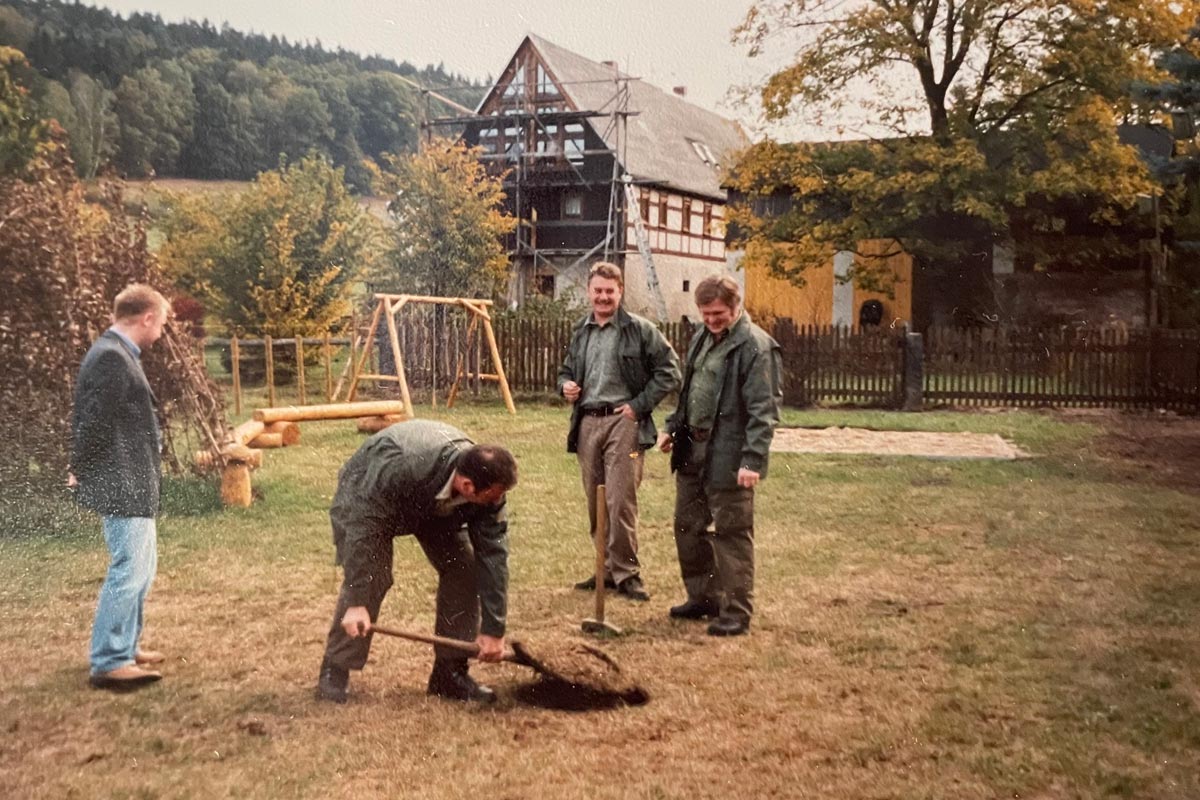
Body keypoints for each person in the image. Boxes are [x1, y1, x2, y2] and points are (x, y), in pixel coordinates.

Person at [315, 420, 518, 705]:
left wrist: (493, 630)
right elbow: (363, 527)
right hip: (367, 497)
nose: (498, 502)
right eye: (492, 497)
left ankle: (450, 675)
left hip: (433, 504)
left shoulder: (488, 490)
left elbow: (493, 555)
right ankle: (335, 670)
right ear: (468, 485)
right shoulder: (403, 466)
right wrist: (357, 601)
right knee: (372, 576)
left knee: (465, 567)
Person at [658, 275, 782, 636]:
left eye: (719, 313)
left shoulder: (756, 347)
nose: (712, 319)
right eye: (705, 313)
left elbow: (764, 411)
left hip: (729, 455)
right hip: (692, 450)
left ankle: (736, 612)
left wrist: (752, 461)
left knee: (732, 533)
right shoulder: (702, 338)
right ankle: (703, 597)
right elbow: (690, 392)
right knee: (688, 526)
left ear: (736, 306)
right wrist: (672, 428)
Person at [557, 262, 680, 601]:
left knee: (620, 499)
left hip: (624, 423)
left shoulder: (640, 330)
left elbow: (670, 372)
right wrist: (565, 385)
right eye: (598, 291)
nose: (603, 297)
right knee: (595, 501)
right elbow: (565, 371)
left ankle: (627, 573)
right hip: (587, 423)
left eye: (610, 291)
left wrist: (639, 405)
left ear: (620, 292)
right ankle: (605, 570)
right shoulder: (580, 330)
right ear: (589, 292)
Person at [70, 284, 171, 690]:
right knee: (129, 570)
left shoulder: (118, 353)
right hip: (122, 482)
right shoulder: (112, 358)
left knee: (142, 570)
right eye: (161, 323)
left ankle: (126, 646)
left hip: (133, 480)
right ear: (146, 317)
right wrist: (79, 466)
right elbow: (93, 420)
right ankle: (110, 660)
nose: (161, 332)